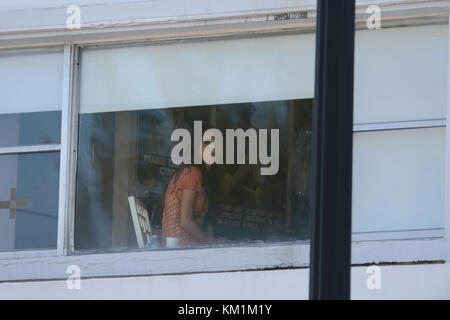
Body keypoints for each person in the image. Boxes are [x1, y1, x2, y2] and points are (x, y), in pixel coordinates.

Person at [162, 139, 220, 247]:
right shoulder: (193, 173)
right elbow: (185, 222)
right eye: (207, 143)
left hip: (188, 245)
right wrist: (211, 243)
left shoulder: (203, 176)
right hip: (181, 248)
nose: (212, 147)